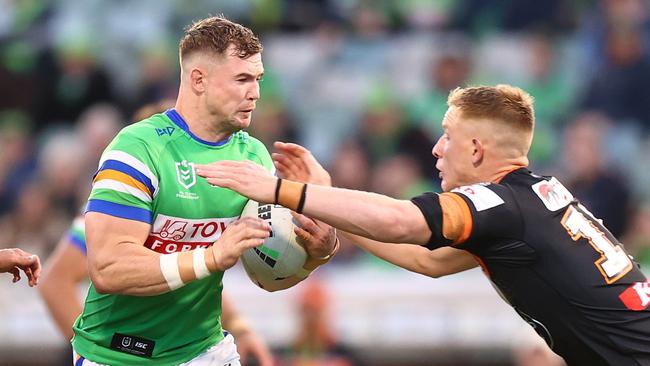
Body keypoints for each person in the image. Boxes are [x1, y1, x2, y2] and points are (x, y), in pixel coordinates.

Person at [196, 84, 650, 366]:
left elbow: (400, 222)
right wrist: (328, 200)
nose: (435, 148)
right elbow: (426, 260)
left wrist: (279, 190)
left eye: (447, 135)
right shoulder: (529, 199)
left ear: (475, 151)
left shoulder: (498, 203)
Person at [75, 16, 337, 365]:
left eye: (258, 79)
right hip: (116, 353)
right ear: (199, 79)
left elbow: (269, 276)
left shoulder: (255, 156)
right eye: (242, 79)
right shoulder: (137, 149)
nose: (256, 93)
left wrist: (315, 254)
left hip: (205, 350)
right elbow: (109, 269)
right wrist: (212, 257)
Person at [39, 217, 274, 366]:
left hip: (187, 351)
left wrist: (239, 326)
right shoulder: (122, 202)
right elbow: (54, 282)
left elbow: (183, 278)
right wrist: (100, 350)